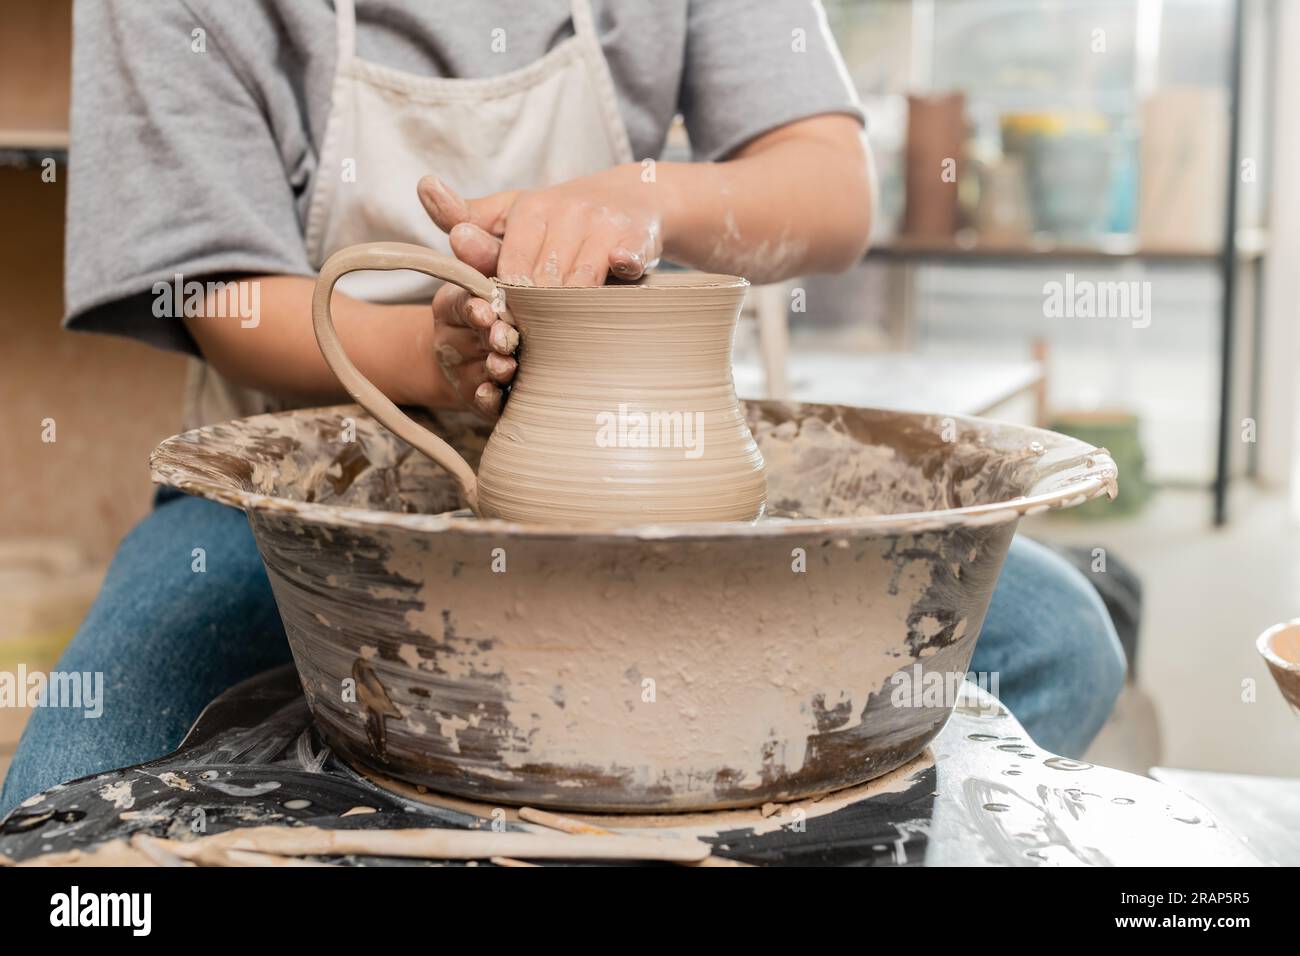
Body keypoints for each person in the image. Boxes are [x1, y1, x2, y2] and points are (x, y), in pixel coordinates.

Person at [0, 0, 1122, 818]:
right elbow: (215, 289)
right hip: (302, 486)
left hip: (658, 477)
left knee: (1054, 636)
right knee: (64, 797)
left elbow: (829, 190)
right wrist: (427, 355)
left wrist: (645, 199)